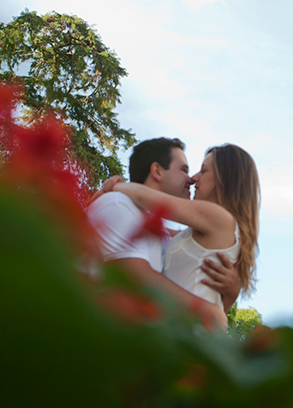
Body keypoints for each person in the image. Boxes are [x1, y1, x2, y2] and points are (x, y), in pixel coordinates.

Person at [87, 137, 240, 328]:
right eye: (184, 169)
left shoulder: (158, 233)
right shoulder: (119, 204)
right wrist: (207, 310)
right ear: (157, 171)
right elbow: (136, 276)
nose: (191, 179)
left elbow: (190, 286)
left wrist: (231, 294)